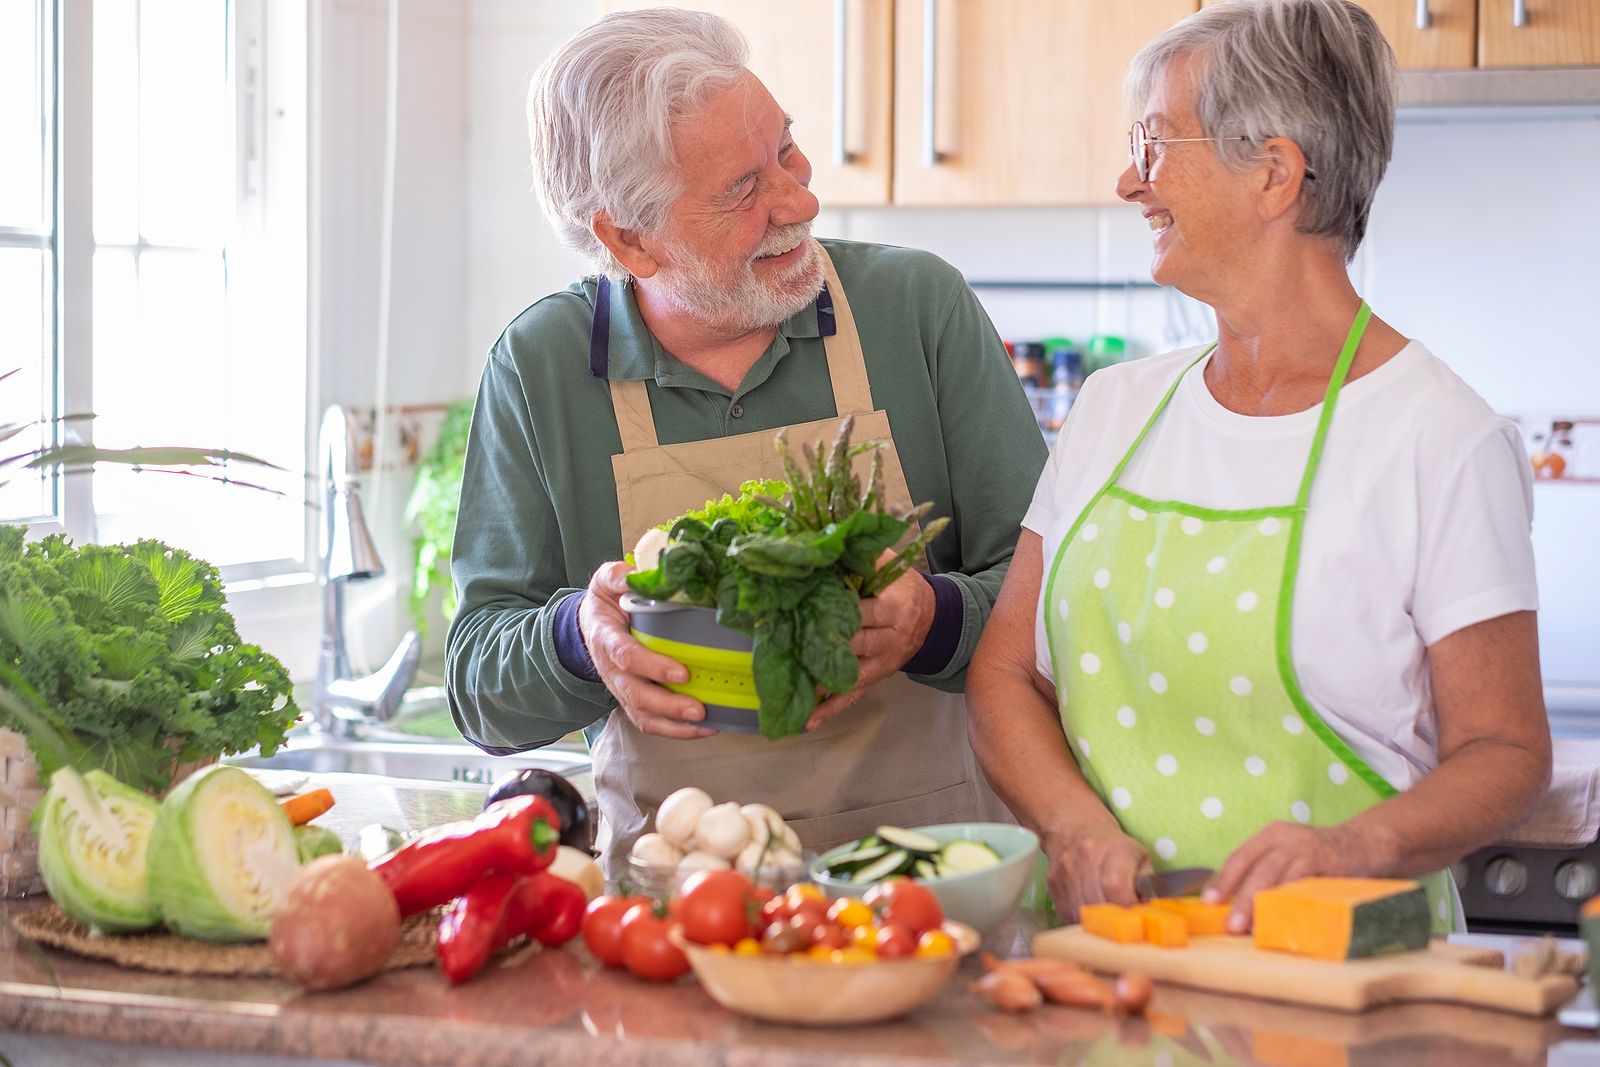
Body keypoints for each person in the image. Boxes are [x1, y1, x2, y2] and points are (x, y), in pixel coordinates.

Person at [966, 0, 1549, 934]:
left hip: (1346, 980)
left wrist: (1352, 848)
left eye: (1154, 143)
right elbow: (1004, 675)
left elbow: (1507, 749)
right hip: (1112, 969)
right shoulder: (1113, 412)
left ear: (1273, 173)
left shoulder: (1439, 436)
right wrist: (1073, 828)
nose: (1128, 179)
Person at [446, 8, 1047, 873]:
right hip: (676, 895)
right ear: (626, 237)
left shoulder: (916, 308)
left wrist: (936, 618)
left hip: (931, 877)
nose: (799, 200)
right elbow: (475, 684)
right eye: (741, 191)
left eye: (788, 151)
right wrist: (583, 637)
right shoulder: (540, 368)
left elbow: (1056, 608)